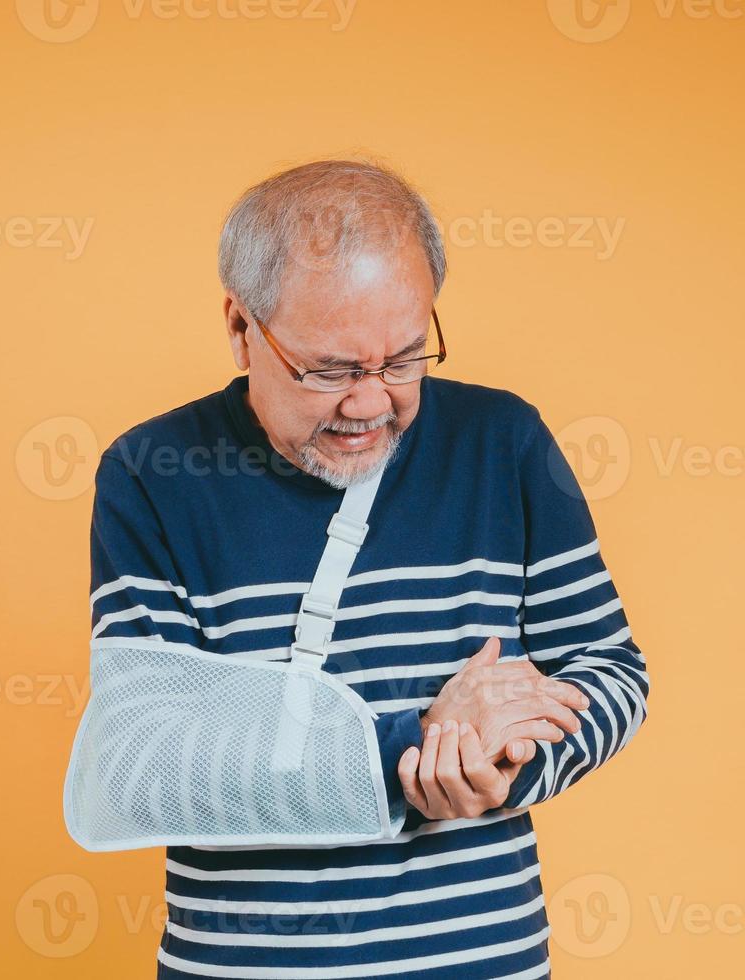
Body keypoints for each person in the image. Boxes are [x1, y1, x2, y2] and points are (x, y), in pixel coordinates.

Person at [85, 158, 650, 979]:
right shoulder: (151, 471)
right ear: (242, 329)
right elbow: (152, 766)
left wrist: (502, 767)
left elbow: (610, 672)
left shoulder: (505, 441)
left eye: (405, 358)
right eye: (332, 370)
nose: (371, 402)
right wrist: (416, 749)